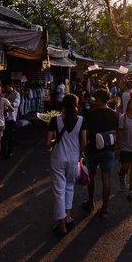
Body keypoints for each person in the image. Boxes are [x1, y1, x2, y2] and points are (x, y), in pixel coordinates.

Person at [46, 94, 87, 235]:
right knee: (69, 186)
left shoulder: (55, 120)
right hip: (73, 157)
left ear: (62, 105)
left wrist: (54, 141)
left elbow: (48, 142)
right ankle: (68, 216)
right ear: (77, 105)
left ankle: (61, 224)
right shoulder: (81, 120)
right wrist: (81, 153)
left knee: (59, 189)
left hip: (58, 157)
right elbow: (84, 142)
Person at [83, 89, 119, 218]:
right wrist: (118, 148)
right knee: (106, 178)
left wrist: (83, 148)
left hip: (93, 149)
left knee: (91, 175)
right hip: (109, 149)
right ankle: (104, 208)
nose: (93, 100)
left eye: (95, 98)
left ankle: (91, 202)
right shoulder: (114, 114)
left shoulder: (91, 114)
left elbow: (86, 133)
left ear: (99, 100)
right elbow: (118, 132)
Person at [2, 81, 21, 159]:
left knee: (9, 136)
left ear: (10, 86)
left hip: (11, 117)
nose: (5, 89)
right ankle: (4, 151)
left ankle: (10, 151)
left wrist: (8, 105)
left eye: (6, 87)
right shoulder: (5, 94)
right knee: (4, 136)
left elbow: (16, 104)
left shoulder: (16, 94)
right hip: (4, 117)